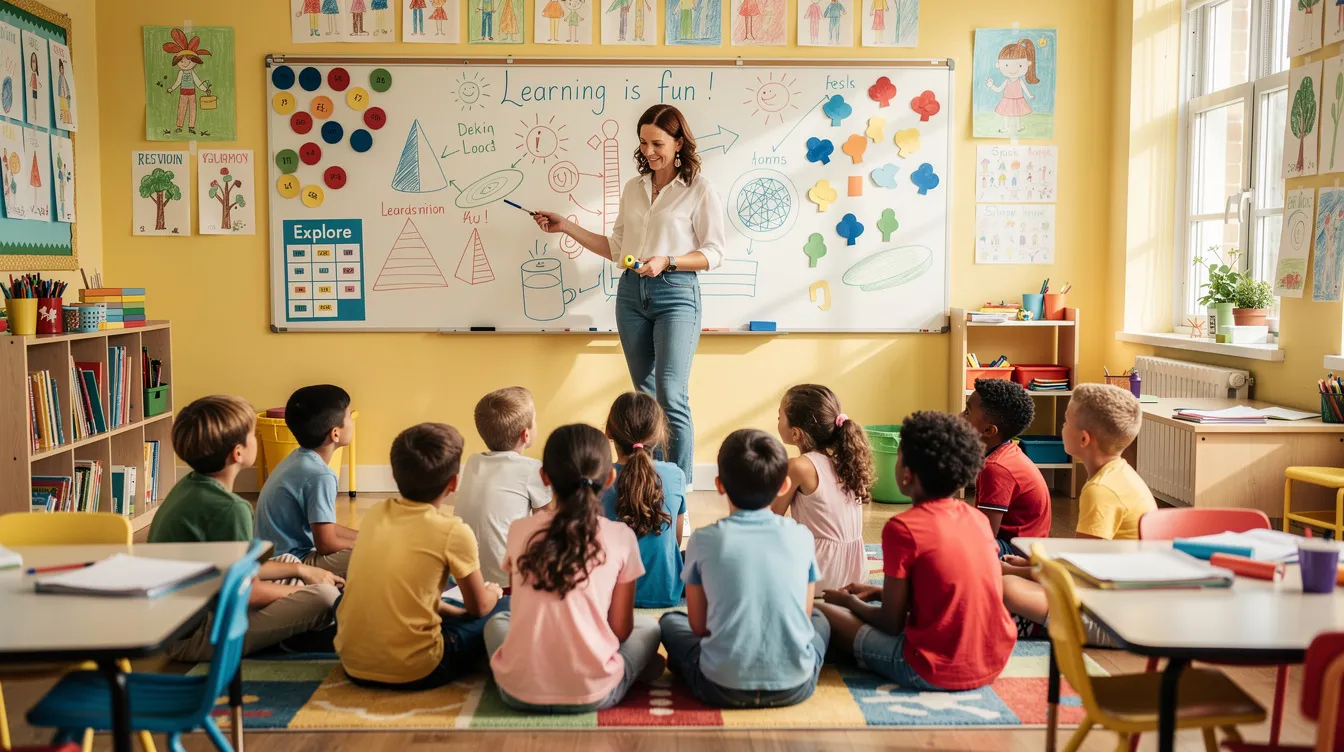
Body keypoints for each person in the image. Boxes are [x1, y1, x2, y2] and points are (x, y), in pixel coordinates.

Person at [532, 105, 726, 487]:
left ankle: (679, 492)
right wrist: (567, 226)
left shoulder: (699, 189)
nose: (649, 150)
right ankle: (646, 487)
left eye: (658, 143)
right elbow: (619, 248)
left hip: (676, 294)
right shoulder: (634, 188)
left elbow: (714, 253)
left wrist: (668, 261)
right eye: (643, 142)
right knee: (645, 398)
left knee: (672, 394)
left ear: (679, 142)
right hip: (632, 294)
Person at [817, 411, 1015, 691]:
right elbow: (946, 592)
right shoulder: (977, 519)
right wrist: (877, 592)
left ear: (907, 475)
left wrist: (849, 603)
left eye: (897, 459)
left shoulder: (903, 528)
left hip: (929, 670)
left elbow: (890, 623)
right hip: (994, 662)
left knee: (820, 613)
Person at [486, 424, 664, 712]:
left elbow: (519, 610)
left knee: (497, 622)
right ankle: (626, 668)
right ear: (610, 479)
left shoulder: (520, 530)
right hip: (594, 693)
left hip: (518, 692)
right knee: (649, 626)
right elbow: (620, 630)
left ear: (544, 476)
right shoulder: (620, 537)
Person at [150, 396, 341, 661]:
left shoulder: (188, 487)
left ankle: (291, 622)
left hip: (180, 620)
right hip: (196, 635)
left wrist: (302, 568)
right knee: (325, 597)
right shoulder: (230, 508)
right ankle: (287, 640)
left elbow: (235, 568)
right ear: (238, 452)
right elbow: (248, 593)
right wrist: (304, 591)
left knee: (288, 561)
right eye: (253, 434)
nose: (256, 438)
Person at [659, 429, 829, 708]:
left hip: (720, 687)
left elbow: (699, 627)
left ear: (719, 484)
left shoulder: (703, 540)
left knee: (669, 622)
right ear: (785, 485)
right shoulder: (802, 536)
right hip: (795, 686)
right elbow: (805, 615)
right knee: (821, 619)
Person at [335, 423, 507, 689]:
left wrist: (450, 610)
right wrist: (494, 593)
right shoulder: (453, 531)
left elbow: (400, 592)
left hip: (353, 664)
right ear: (454, 483)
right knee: (505, 607)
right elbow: (479, 607)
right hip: (418, 670)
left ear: (393, 475)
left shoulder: (375, 515)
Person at [1000, 384, 1155, 645]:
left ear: (1084, 439)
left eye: (1065, 422)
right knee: (1011, 576)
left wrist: (1014, 573)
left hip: (1113, 620)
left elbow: (1079, 573)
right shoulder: (1121, 474)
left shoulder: (1100, 491)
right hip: (1118, 601)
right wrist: (1029, 567)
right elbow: (1082, 560)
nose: (1061, 428)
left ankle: (1035, 627)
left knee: (1006, 587)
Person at [773, 384, 871, 591]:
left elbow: (771, 517)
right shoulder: (846, 460)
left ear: (795, 433)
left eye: (779, 417)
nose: (777, 422)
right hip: (856, 573)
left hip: (820, 575)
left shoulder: (799, 466)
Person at [256, 385, 358, 578]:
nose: (352, 421)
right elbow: (326, 543)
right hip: (290, 562)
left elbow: (325, 527)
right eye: (349, 417)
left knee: (370, 545)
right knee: (372, 555)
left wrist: (368, 537)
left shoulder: (299, 459)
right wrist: (370, 545)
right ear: (335, 433)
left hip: (273, 558)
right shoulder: (320, 475)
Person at [455, 387, 549, 591]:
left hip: (467, 575)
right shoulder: (532, 469)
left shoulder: (473, 462)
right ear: (525, 434)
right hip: (508, 582)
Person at [601, 392, 686, 608]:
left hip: (608, 593)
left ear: (608, 432)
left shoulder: (597, 479)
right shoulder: (675, 475)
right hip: (666, 592)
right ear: (658, 435)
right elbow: (676, 540)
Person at [962, 379, 1051, 555]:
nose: (959, 415)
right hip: (1021, 544)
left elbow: (983, 537)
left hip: (1017, 551)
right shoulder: (1004, 452)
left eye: (967, 412)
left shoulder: (996, 468)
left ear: (988, 431)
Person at [984, 38, 1039, 134]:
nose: (1013, 69)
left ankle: (1018, 127)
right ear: (998, 65)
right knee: (1006, 115)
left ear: (1028, 64)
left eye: (1020, 66)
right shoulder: (1006, 81)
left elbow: (1025, 89)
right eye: (1006, 65)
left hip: (1018, 99)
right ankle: (1005, 128)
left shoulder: (1019, 81)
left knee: (1017, 114)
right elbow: (998, 89)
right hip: (1007, 99)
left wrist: (1029, 95)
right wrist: (991, 86)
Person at [162, 28, 211, 135]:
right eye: (182, 61)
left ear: (194, 62)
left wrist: (205, 89)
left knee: (193, 110)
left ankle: (191, 127)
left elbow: (198, 82)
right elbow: (177, 82)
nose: (185, 63)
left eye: (189, 61)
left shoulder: (192, 73)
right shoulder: (181, 73)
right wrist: (171, 88)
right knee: (182, 109)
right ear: (178, 62)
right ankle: (179, 126)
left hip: (192, 94)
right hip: (183, 94)